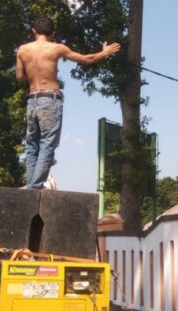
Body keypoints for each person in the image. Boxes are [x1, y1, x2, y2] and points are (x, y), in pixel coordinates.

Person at [16, 17, 120, 189]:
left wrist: (34, 74)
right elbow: (87, 59)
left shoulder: (22, 50)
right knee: (47, 143)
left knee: (32, 144)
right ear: (53, 33)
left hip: (32, 100)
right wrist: (105, 53)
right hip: (50, 99)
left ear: (34, 31)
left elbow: (19, 76)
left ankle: (31, 185)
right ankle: (34, 187)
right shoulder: (56, 48)